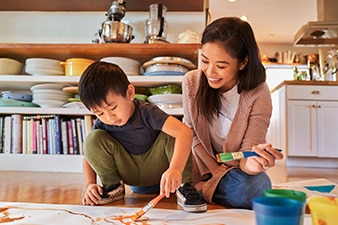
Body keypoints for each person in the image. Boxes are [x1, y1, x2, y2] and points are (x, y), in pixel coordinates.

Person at [182, 17, 283, 209]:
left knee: (258, 187)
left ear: (243, 62)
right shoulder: (192, 81)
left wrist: (254, 164)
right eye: (204, 61)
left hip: (233, 169)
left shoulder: (258, 93)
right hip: (198, 162)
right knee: (143, 183)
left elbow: (247, 154)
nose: (210, 72)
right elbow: (191, 133)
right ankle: (196, 185)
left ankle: (198, 191)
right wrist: (214, 169)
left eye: (221, 66)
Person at [78, 61, 206, 212]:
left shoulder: (147, 112)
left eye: (113, 107)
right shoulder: (103, 123)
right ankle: (113, 186)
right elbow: (89, 154)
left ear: (130, 93)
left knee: (173, 131)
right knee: (92, 138)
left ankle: (184, 186)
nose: (109, 117)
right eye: (99, 113)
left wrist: (176, 169)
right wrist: (90, 184)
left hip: (161, 173)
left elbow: (185, 132)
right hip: (130, 173)